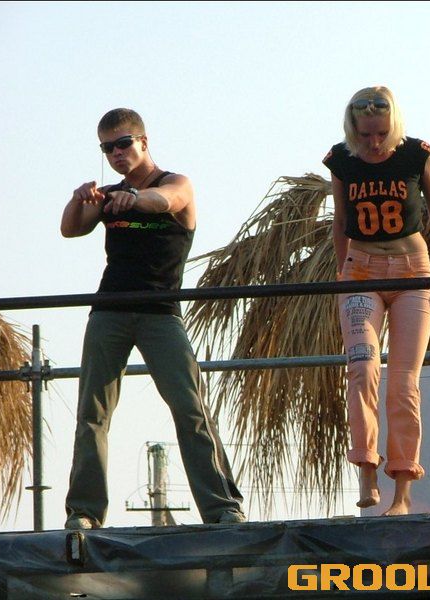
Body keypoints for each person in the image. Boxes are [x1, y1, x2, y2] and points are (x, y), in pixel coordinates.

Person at [61, 108, 246, 529]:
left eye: (123, 143)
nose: (116, 153)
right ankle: (84, 512)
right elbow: (70, 229)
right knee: (92, 415)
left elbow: (167, 201)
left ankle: (222, 508)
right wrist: (78, 198)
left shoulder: (175, 182)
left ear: (143, 142)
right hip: (109, 310)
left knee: (190, 408)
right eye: (107, 148)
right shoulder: (108, 196)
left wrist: (135, 198)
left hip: (160, 313)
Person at [322, 86, 430, 516]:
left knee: (403, 383)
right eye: (365, 135)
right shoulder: (341, 160)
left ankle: (402, 491)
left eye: (381, 133)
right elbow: (340, 221)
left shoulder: (417, 154)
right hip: (360, 271)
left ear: (393, 125)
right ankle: (366, 464)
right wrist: (343, 272)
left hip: (412, 270)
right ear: (353, 130)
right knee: (362, 367)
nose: (374, 142)